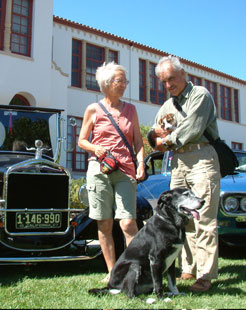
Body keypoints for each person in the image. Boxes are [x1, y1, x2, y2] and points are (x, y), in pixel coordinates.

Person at [148, 55, 221, 292]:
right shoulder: (167, 105)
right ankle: (187, 268)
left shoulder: (200, 95)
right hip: (178, 162)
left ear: (183, 74)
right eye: (164, 82)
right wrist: (154, 138)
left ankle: (205, 275)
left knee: (204, 218)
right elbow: (153, 132)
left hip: (201, 158)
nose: (169, 85)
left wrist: (163, 141)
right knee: (181, 219)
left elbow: (191, 129)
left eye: (171, 79)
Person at [78, 62, 146, 282]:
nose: (124, 85)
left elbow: (138, 141)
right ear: (106, 84)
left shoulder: (131, 109)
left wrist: (142, 163)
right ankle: (112, 273)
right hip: (99, 169)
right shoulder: (92, 109)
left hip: (125, 170)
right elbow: (81, 141)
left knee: (128, 222)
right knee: (104, 223)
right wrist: (95, 147)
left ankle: (135, 272)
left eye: (125, 81)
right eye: (120, 81)